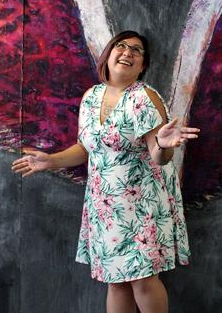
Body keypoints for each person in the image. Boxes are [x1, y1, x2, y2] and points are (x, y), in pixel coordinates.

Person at [12, 31, 200, 313]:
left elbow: (159, 157)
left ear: (142, 65)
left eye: (137, 51)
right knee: (116, 281)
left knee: (143, 280)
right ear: (109, 55)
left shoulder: (144, 98)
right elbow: (86, 148)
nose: (128, 52)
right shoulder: (91, 97)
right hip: (106, 205)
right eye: (121, 46)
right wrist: (49, 161)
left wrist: (162, 143)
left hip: (142, 204)